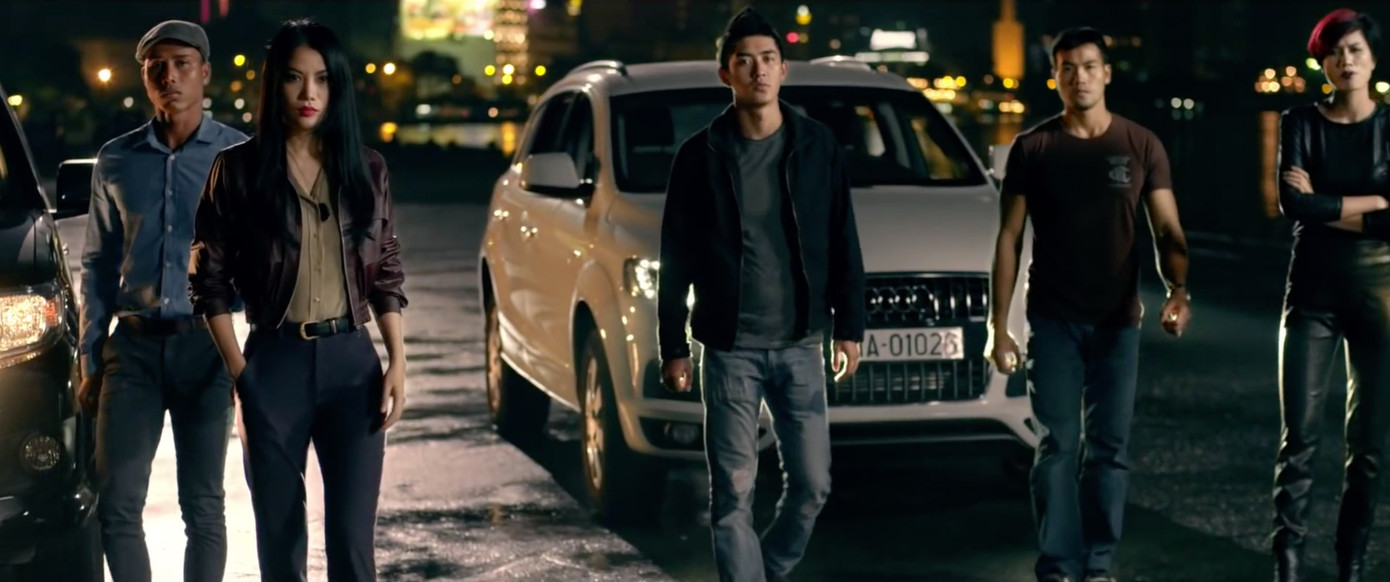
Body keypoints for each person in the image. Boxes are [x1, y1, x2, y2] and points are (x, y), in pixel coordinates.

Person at [189, 19, 408, 582]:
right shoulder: (237, 169)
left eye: (322, 79)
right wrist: (241, 373)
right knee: (281, 542)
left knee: (353, 546)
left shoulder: (368, 169)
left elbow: (385, 271)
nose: (309, 93)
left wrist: (397, 362)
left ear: (338, 87)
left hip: (352, 366)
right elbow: (208, 280)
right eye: (294, 78)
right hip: (274, 363)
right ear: (275, 85)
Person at [656, 7, 865, 582]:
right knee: (732, 495)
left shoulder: (817, 145)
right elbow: (676, 256)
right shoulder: (700, 156)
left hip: (800, 343)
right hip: (730, 349)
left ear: (783, 69)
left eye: (768, 59)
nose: (759, 71)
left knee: (813, 486)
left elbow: (842, 237)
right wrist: (673, 346)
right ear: (726, 74)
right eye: (745, 61)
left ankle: (768, 569)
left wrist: (850, 326)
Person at [986, 26, 1192, 582]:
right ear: (1055, 77)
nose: (1079, 77)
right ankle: (1057, 566)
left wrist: (1177, 289)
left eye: (1089, 66)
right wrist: (997, 327)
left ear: (1107, 73)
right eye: (1068, 68)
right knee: (1056, 446)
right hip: (1052, 320)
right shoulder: (1033, 148)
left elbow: (1167, 228)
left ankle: (1099, 565)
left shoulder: (1140, 144)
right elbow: (1008, 239)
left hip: (1117, 323)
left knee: (1109, 450)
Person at [79, 19, 248, 582]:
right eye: (157, 67)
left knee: (203, 505)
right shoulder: (117, 159)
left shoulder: (239, 155)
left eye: (182, 65)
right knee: (116, 502)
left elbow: (264, 260)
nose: (169, 77)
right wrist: (89, 357)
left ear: (205, 73)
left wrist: (249, 362)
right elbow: (98, 264)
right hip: (133, 351)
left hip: (208, 348)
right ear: (145, 76)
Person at [1271, 9, 1390, 582]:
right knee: (1299, 437)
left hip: (1380, 293)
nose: (1346, 61)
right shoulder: (1300, 122)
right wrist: (1376, 202)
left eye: (1356, 50)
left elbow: (1317, 207)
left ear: (1373, 58)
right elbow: (1293, 204)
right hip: (1311, 291)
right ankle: (1288, 560)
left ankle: (1351, 561)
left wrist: (1326, 205)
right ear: (1322, 63)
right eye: (1335, 52)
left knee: (1368, 448)